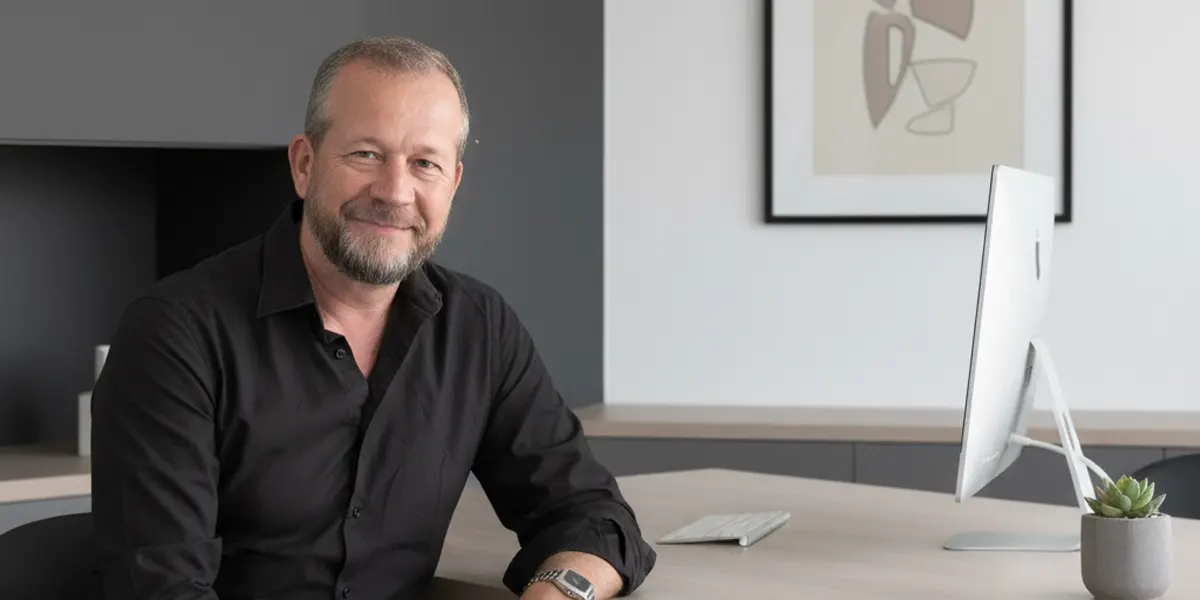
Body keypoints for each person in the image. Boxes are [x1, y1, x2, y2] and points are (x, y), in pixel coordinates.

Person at [90, 36, 656, 600]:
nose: (395, 191)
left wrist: (557, 593)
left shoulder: (478, 328)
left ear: (453, 184)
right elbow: (160, 589)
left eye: (424, 163)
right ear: (304, 164)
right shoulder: (175, 334)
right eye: (366, 154)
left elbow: (592, 517)